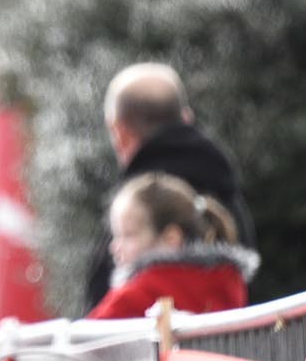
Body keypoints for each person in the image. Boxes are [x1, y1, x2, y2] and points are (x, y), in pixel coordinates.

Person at [82, 63, 256, 311]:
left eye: (126, 236)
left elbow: (100, 314)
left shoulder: (136, 203)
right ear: (186, 118)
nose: (116, 247)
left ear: (119, 132)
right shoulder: (223, 189)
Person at [86, 172, 257, 320]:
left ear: (171, 239)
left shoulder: (139, 292)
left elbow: (81, 338)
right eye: (116, 236)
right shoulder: (229, 282)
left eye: (128, 235)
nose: (114, 247)